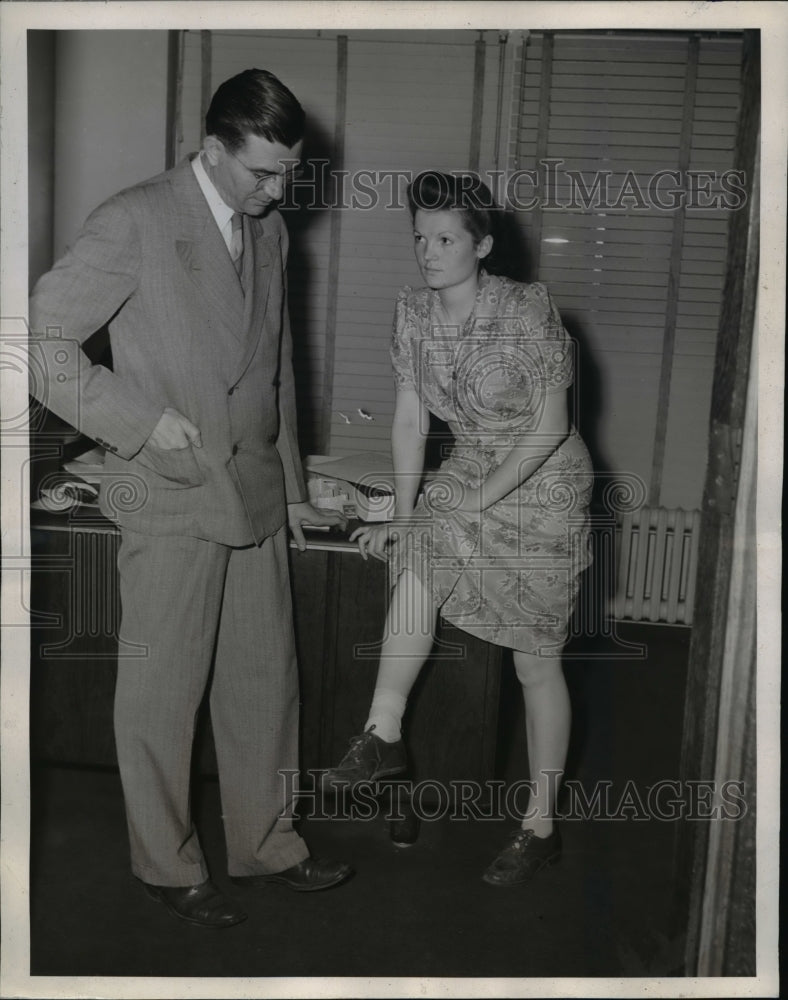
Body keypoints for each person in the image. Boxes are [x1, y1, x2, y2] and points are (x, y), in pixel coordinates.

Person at [28, 69, 353, 929]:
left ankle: (266, 842)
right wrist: (134, 422)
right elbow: (39, 341)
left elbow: (277, 372)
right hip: (170, 489)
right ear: (212, 151)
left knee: (264, 681)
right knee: (162, 690)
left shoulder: (272, 231)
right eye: (262, 173)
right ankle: (167, 865)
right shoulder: (133, 218)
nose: (279, 190)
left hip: (252, 492)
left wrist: (292, 490)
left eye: (289, 173)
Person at [322, 171, 593, 886]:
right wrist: (408, 514)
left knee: (536, 662)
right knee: (417, 549)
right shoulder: (412, 313)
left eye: (445, 238)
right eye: (420, 236)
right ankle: (383, 732)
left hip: (543, 482)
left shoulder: (525, 308)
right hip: (474, 464)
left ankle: (540, 827)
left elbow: (551, 428)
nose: (428, 251)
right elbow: (412, 420)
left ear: (483, 245)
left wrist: (466, 507)